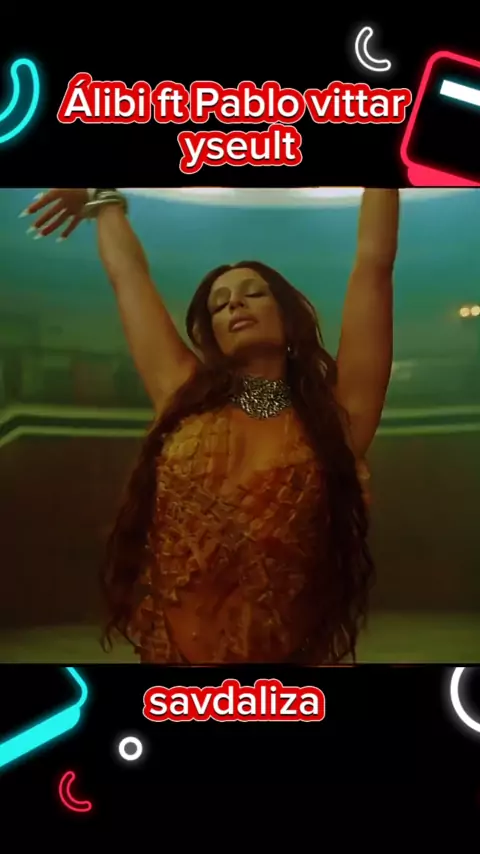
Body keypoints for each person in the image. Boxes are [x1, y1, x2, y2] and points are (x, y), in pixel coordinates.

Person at [24, 188, 399, 664]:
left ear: (288, 319)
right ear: (211, 335)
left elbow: (373, 266)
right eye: (220, 305)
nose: (234, 305)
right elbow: (129, 278)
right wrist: (104, 200)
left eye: (252, 294)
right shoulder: (181, 393)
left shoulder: (338, 420)